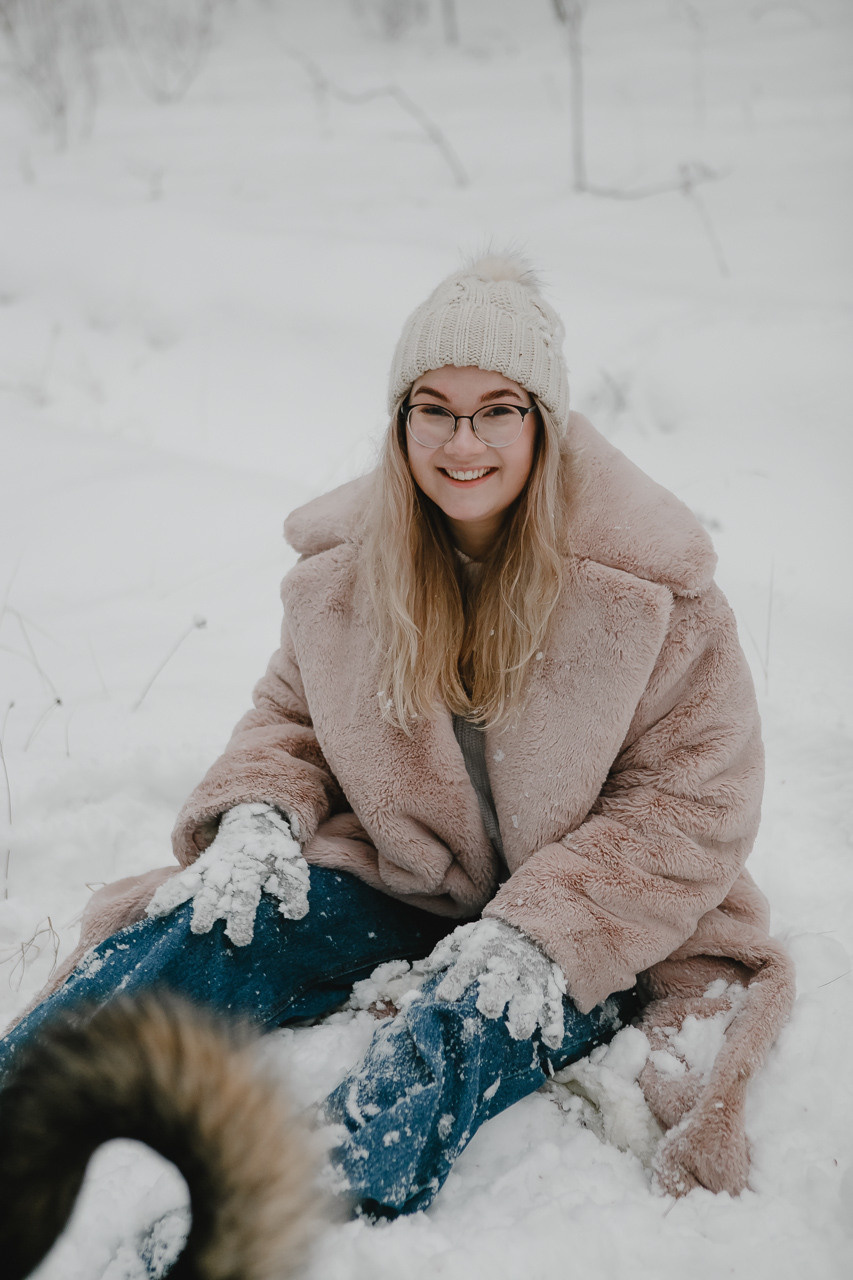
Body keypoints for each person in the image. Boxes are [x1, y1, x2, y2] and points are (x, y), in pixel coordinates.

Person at [1, 255, 794, 1219]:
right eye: (435, 408)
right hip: (413, 880)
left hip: (593, 931)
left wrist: (539, 933)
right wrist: (255, 817)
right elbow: (287, 721)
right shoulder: (346, 578)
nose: (464, 441)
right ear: (401, 421)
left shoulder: (655, 597)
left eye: (497, 408)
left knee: (464, 1021)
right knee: (211, 919)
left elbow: (693, 804)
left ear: (542, 422)